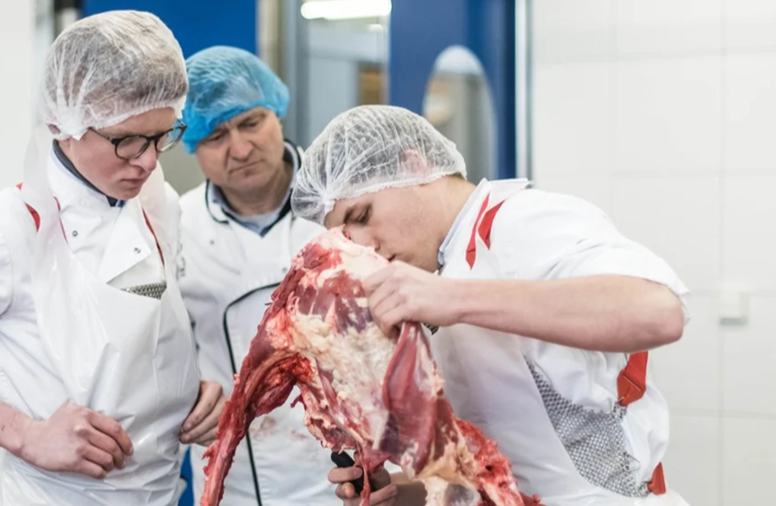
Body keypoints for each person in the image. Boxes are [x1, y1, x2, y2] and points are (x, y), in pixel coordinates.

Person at [0, 11, 224, 505]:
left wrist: (189, 393)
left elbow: (136, 335)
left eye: (163, 135)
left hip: (157, 491)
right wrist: (24, 434)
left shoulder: (154, 203)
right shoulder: (7, 229)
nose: (148, 161)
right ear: (66, 122)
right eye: (127, 140)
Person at [291, 105, 692, 506]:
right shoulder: (436, 272)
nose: (365, 246)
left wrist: (454, 299)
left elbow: (657, 310)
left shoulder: (521, 220)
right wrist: (402, 495)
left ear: (413, 164)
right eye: (347, 237)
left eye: (362, 215)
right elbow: (503, 467)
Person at [176, 46, 336, 506]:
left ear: (278, 112)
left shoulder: (344, 203)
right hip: (238, 486)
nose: (241, 149)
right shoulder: (175, 229)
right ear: (192, 145)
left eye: (251, 122)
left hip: (362, 477)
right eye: (216, 135)